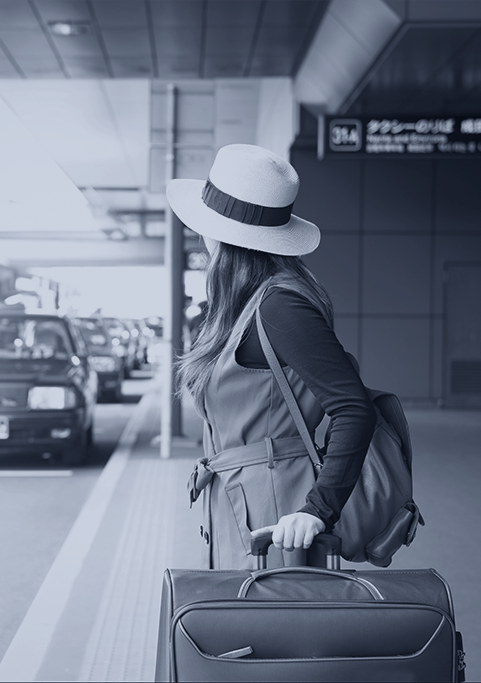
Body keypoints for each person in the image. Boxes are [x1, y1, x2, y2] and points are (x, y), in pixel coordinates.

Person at [168, 144, 376, 570]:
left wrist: (318, 509)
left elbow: (354, 408)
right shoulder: (247, 305)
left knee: (271, 631)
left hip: (276, 515)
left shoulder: (280, 306)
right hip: (244, 503)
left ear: (221, 236)